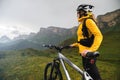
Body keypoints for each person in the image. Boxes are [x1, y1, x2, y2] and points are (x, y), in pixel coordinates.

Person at [69, 4, 103, 80]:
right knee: (87, 75)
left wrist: (91, 50)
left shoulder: (88, 21)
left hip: (89, 54)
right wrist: (74, 45)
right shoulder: (83, 23)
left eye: (78, 12)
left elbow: (99, 36)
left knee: (95, 76)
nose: (77, 14)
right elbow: (83, 40)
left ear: (83, 12)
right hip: (84, 54)